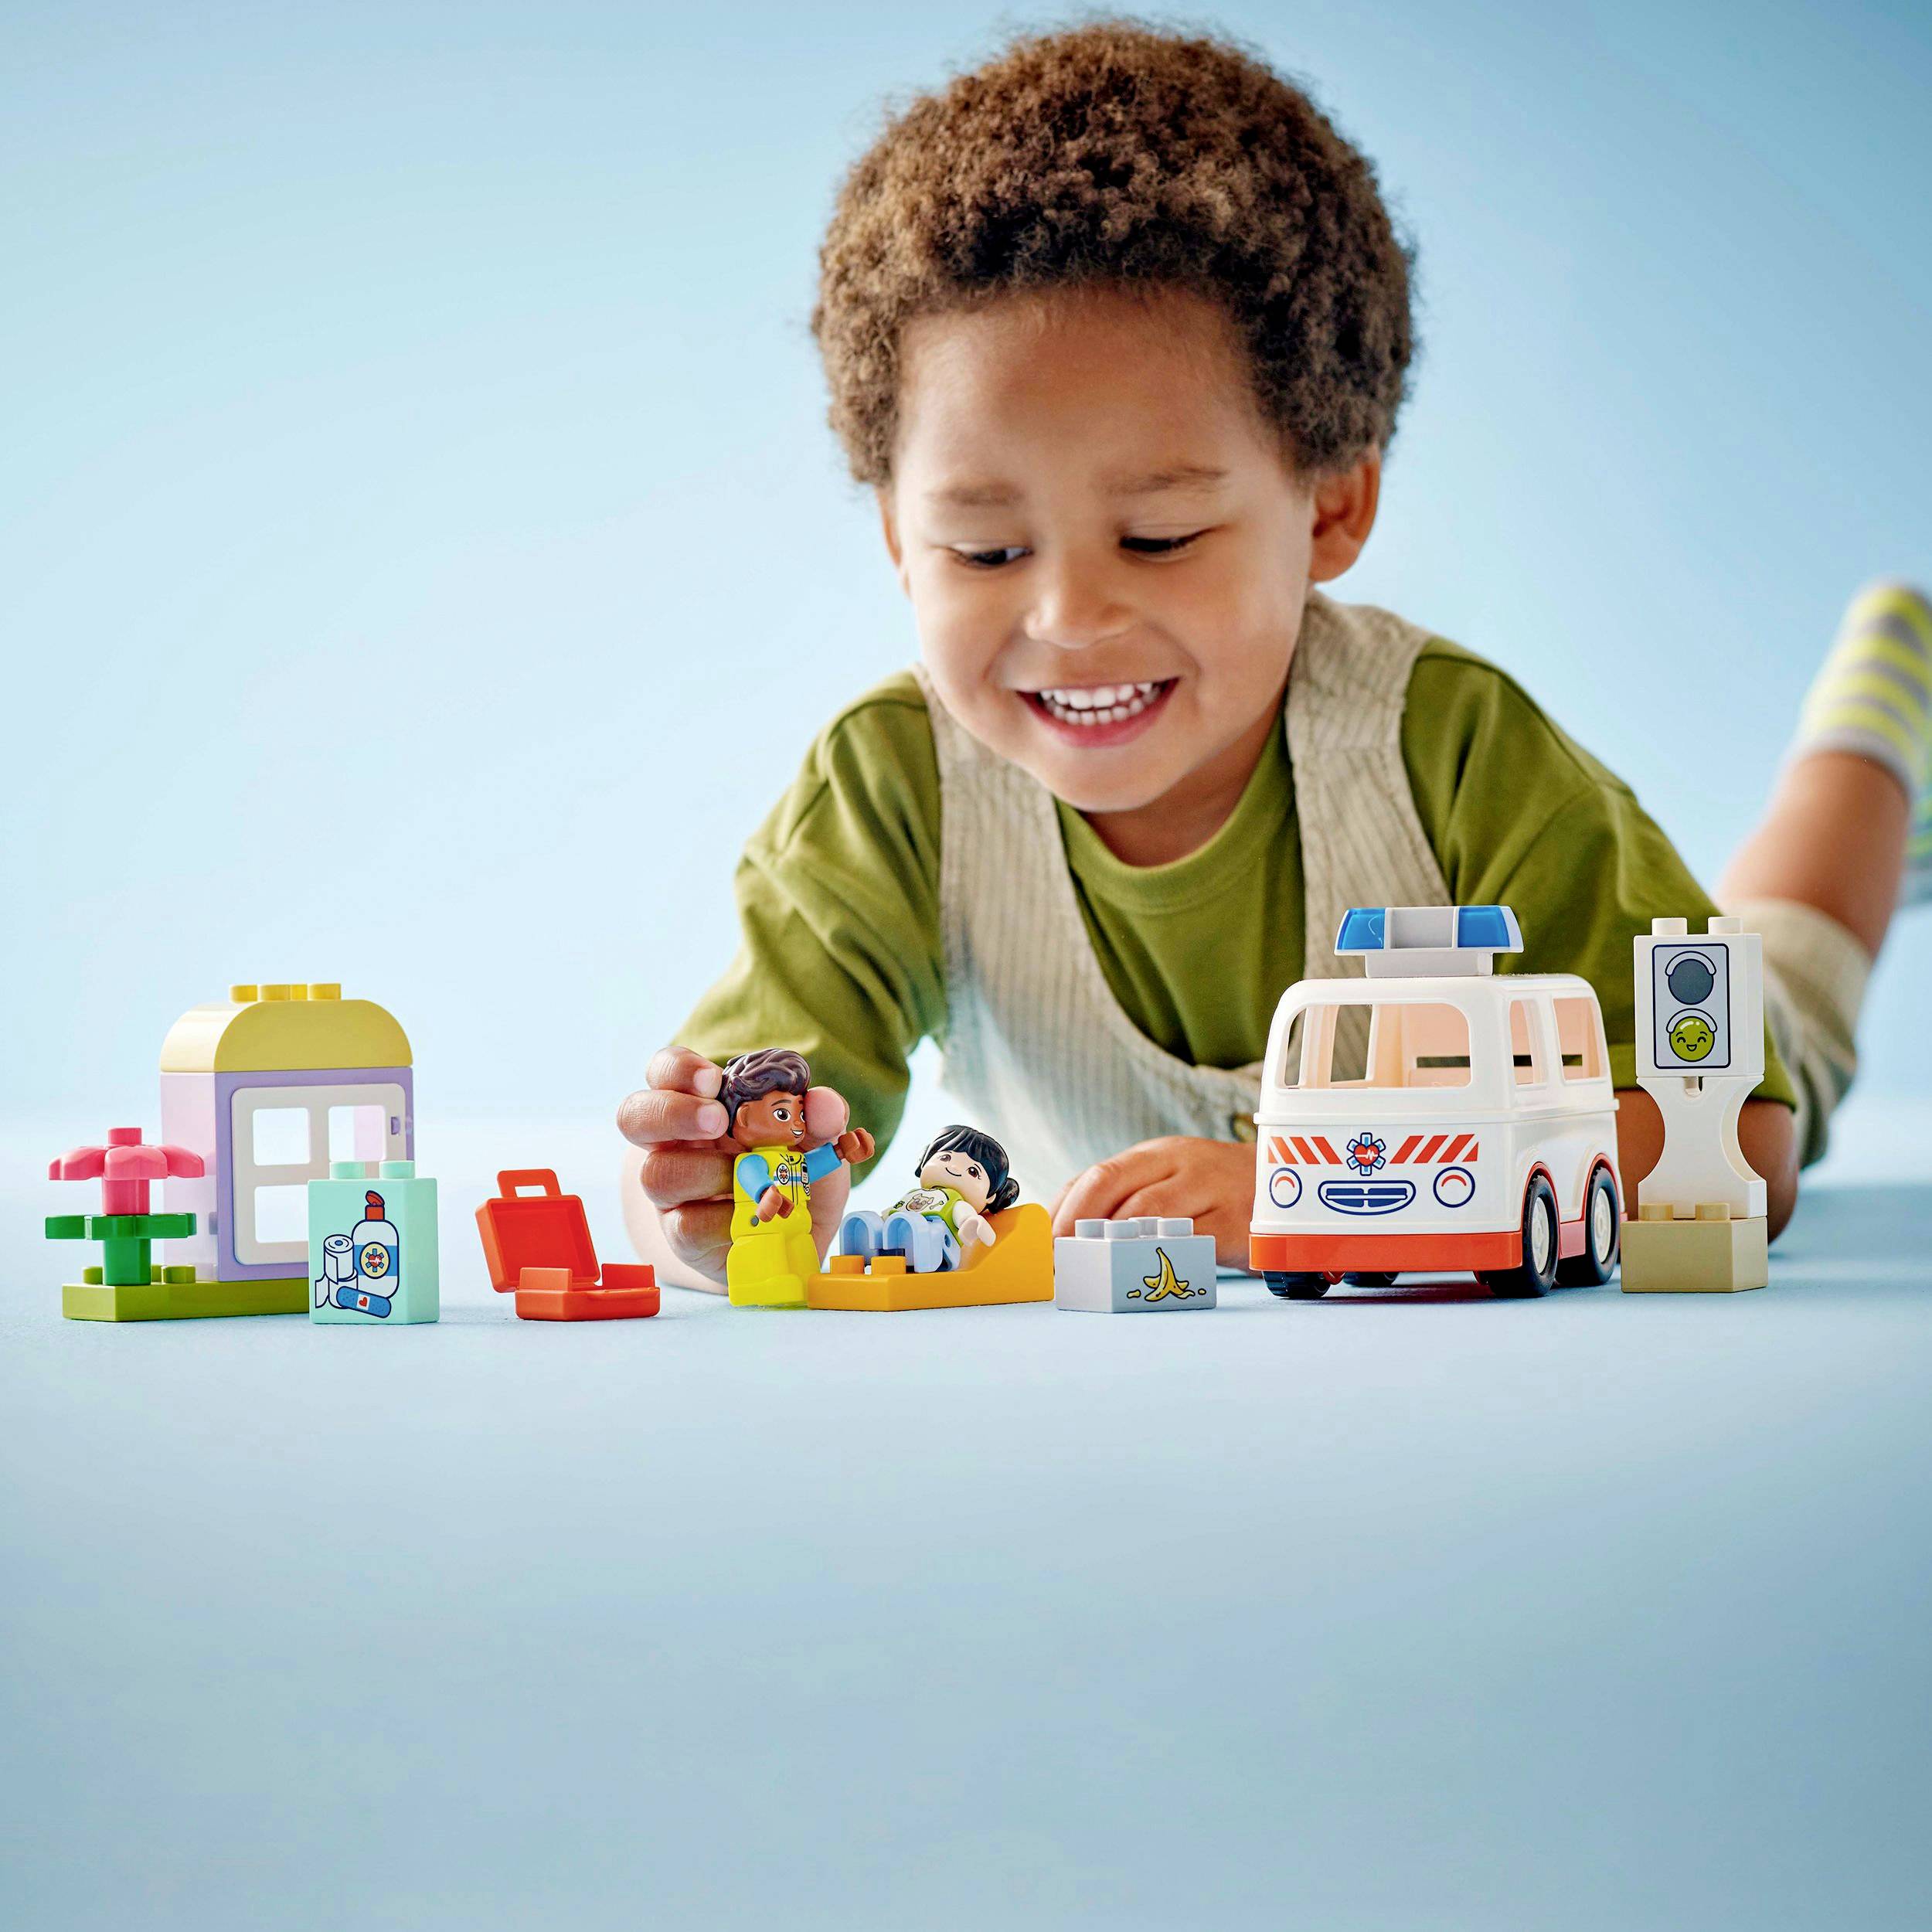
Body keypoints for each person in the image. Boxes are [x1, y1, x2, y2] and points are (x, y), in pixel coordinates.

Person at [618, 22, 1929, 1291]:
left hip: (1702, 1045)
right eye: (985, 549)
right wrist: (705, 1196)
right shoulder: (891, 791)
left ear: (1332, 506)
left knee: (1785, 971)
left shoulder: (1452, 754)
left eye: (1160, 536)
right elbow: (719, 1147)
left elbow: (1733, 1145)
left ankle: (1879, 727)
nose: (1069, 616)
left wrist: (1298, 1195)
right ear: (900, 539)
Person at [716, 1048, 872, 1306]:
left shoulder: (794, 1159)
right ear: (744, 1117)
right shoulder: (750, 1161)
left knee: (802, 1251)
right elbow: (752, 1177)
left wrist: (842, 1151)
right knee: (770, 1248)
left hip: (797, 1226)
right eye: (783, 1114)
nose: (798, 1124)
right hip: (763, 1229)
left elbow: (810, 1168)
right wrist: (766, 1193)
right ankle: (765, 1283)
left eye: (800, 1114)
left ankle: (806, 1281)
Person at [841, 1124, 1021, 1274]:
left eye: (973, 1171)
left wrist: (972, 1223)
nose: (954, 1168)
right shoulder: (914, 1193)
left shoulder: (957, 1202)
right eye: (946, 1157)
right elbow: (894, 1211)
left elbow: (966, 1218)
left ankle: (904, 1246)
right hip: (901, 1228)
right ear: (925, 1161)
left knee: (914, 1226)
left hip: (938, 1245)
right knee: (879, 1222)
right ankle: (865, 1241)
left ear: (991, 1196)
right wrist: (880, 1221)